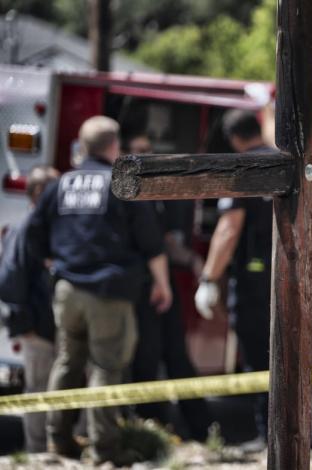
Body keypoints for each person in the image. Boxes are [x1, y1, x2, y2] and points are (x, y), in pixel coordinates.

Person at [27, 116, 172, 465]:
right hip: (108, 292)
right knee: (107, 367)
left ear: (82, 145)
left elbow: (33, 233)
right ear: (113, 146)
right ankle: (103, 451)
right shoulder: (120, 183)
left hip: (67, 290)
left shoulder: (59, 185)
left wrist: (56, 261)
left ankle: (58, 441)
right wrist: (163, 284)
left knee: (68, 362)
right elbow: (151, 243)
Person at [194, 109, 312, 450]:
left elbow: (228, 229)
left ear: (234, 139)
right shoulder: (294, 166)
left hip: (254, 291)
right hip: (303, 289)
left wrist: (208, 278)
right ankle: (304, 438)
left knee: (261, 364)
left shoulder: (245, 170)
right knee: (299, 364)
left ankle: (269, 437)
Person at [125, 134, 213, 441]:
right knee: (145, 360)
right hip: (141, 288)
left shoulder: (154, 196)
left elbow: (165, 243)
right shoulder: (125, 193)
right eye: (138, 151)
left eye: (148, 151)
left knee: (177, 356)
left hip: (162, 286)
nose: (145, 157)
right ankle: (152, 429)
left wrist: (192, 261)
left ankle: (201, 429)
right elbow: (151, 246)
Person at [0, 165, 59, 452]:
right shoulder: (26, 230)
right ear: (38, 193)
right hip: (36, 327)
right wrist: (28, 325)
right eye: (54, 188)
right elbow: (10, 282)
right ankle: (36, 450)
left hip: (43, 325)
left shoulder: (42, 227)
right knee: (37, 390)